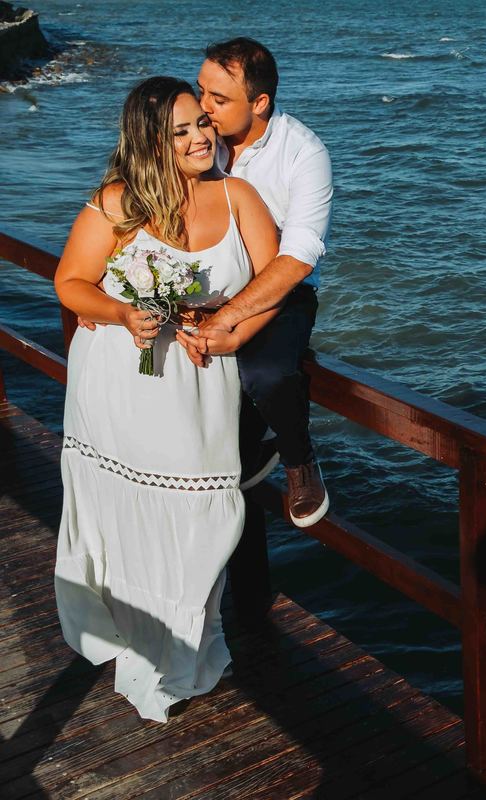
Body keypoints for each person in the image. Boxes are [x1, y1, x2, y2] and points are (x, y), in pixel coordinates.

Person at [54, 76, 281, 721]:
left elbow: (274, 284)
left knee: (205, 516)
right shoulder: (116, 203)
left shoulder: (239, 197)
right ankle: (149, 648)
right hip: (121, 382)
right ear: (150, 140)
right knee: (130, 515)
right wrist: (122, 312)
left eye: (201, 124)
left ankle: (186, 640)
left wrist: (230, 329)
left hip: (202, 384)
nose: (199, 137)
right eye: (180, 131)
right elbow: (71, 282)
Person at [177, 37, 333, 528]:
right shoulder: (198, 137)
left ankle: (299, 461)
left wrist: (227, 319)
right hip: (202, 278)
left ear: (260, 102)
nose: (204, 108)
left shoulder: (303, 153)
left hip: (278, 290)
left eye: (218, 99)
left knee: (264, 373)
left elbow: (299, 258)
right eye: (201, 91)